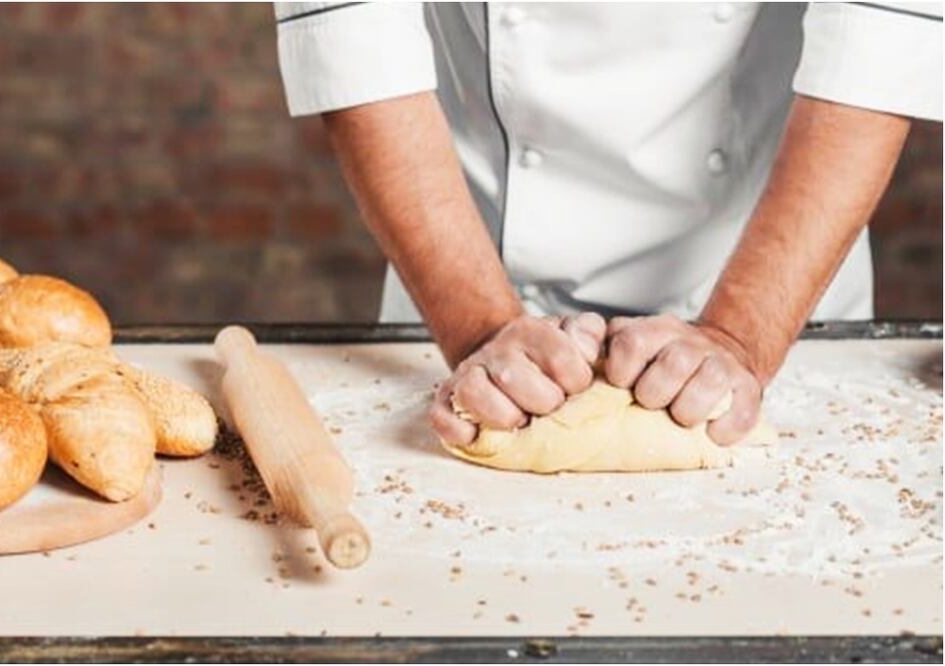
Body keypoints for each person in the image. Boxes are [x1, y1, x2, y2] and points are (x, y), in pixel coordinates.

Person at [274, 2, 942, 445]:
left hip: (774, 290)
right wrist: (479, 327)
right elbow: (356, 45)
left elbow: (873, 50)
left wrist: (737, 336)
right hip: (463, 276)